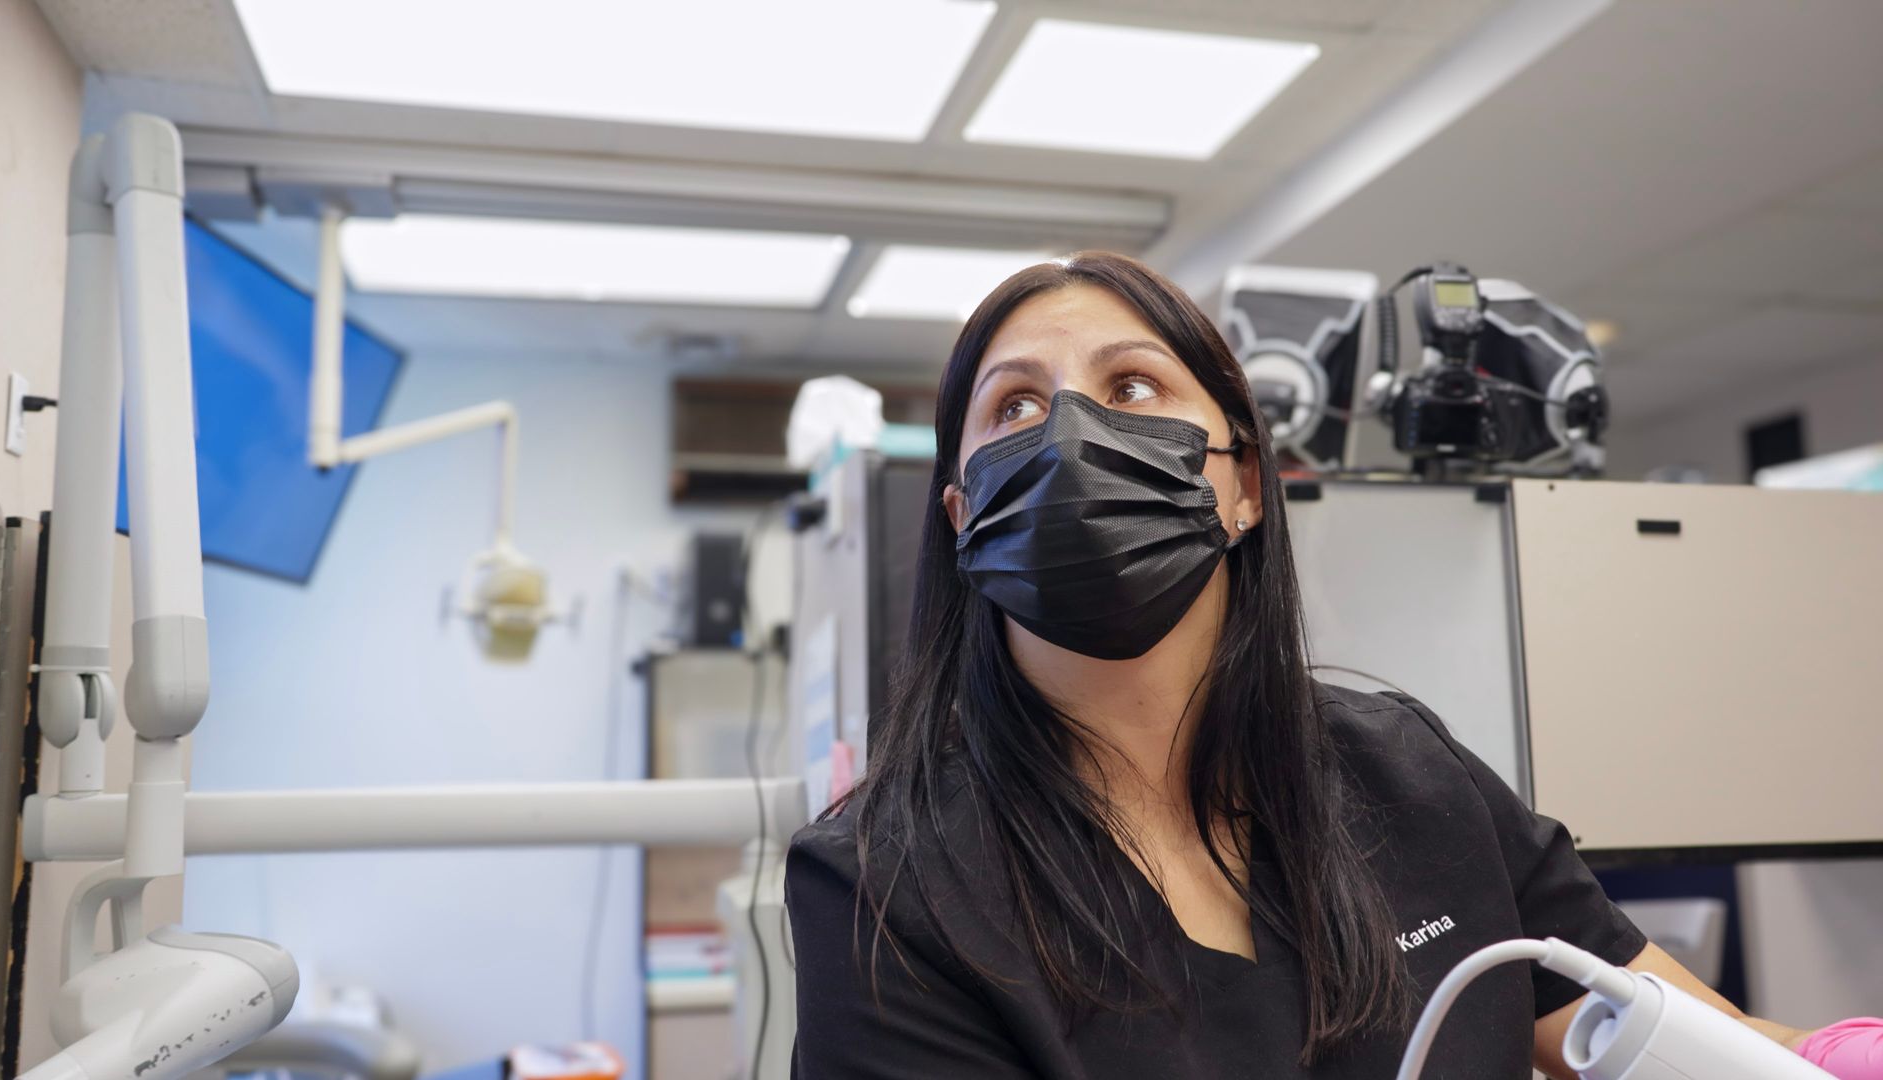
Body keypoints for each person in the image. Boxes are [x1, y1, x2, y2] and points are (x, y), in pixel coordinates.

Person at [784, 251, 1857, 1078]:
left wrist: (1835, 1056)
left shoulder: (1408, 774)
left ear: (1246, 485)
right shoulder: (886, 885)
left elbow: (1699, 1048)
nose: (1071, 431)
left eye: (1134, 385)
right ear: (963, 515)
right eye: (1015, 406)